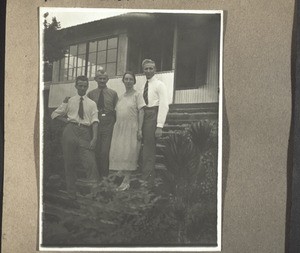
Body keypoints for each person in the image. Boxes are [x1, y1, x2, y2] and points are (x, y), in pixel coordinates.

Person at [51, 75, 100, 199]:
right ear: (76, 86)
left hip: (85, 132)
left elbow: (95, 122)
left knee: (91, 163)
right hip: (70, 131)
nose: (82, 88)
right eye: (80, 85)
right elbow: (54, 114)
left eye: (85, 86)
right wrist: (66, 121)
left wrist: (94, 138)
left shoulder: (92, 103)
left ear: (88, 86)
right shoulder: (70, 100)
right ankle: (71, 194)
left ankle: (94, 194)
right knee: (69, 163)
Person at [109, 71, 145, 191]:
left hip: (132, 128)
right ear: (123, 81)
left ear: (134, 81)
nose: (128, 81)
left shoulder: (137, 95)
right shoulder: (120, 97)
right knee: (121, 151)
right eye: (126, 79)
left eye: (131, 79)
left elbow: (141, 111)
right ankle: (122, 174)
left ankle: (126, 181)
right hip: (120, 128)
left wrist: (139, 129)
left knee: (130, 152)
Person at [141, 59, 169, 182]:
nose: (148, 71)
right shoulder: (143, 85)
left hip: (153, 114)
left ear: (155, 69)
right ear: (143, 70)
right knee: (144, 146)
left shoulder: (159, 84)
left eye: (151, 68)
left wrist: (159, 126)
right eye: (146, 68)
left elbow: (164, 105)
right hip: (144, 114)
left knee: (149, 148)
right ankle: (145, 173)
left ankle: (148, 179)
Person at [87, 67, 118, 178]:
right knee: (95, 150)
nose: (102, 81)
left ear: (107, 79)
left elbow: (116, 110)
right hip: (95, 123)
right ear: (96, 79)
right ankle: (96, 177)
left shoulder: (113, 94)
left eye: (104, 78)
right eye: (100, 78)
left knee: (105, 151)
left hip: (108, 123)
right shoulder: (90, 94)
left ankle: (105, 178)